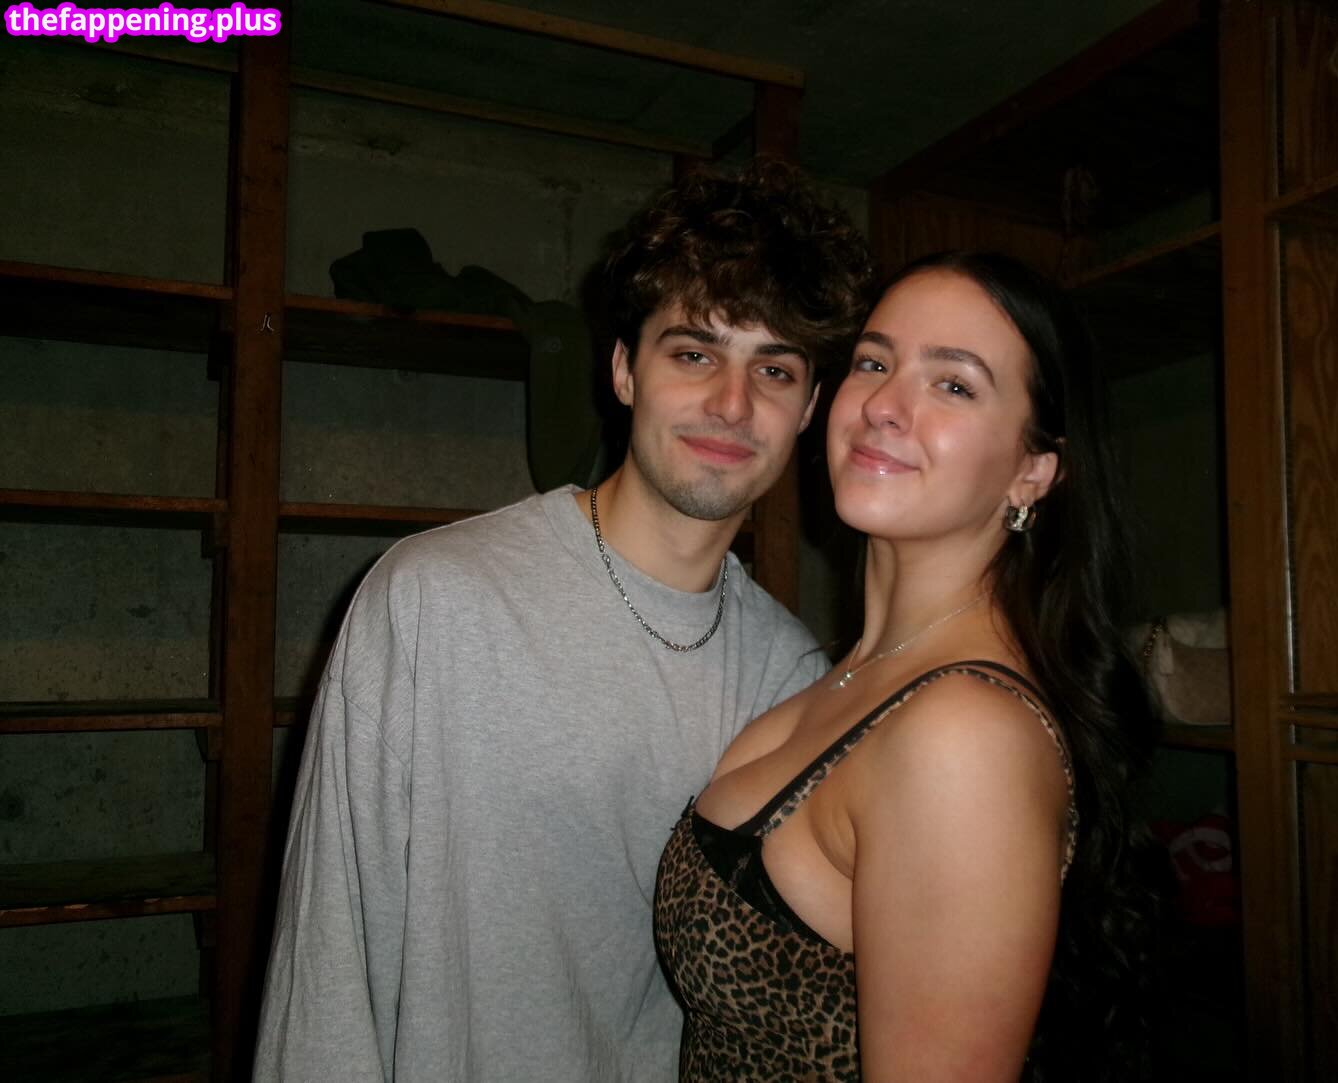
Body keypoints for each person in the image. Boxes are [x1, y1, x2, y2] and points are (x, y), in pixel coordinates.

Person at [253, 160, 874, 1082]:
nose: (732, 404)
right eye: (693, 353)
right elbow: (327, 961)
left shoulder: (792, 676)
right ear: (623, 370)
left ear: (810, 409)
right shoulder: (434, 600)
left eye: (774, 369)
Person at [655, 251, 1156, 1081]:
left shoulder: (964, 735)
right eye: (873, 362)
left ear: (1034, 469)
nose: (884, 405)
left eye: (953, 384)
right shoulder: (846, 671)